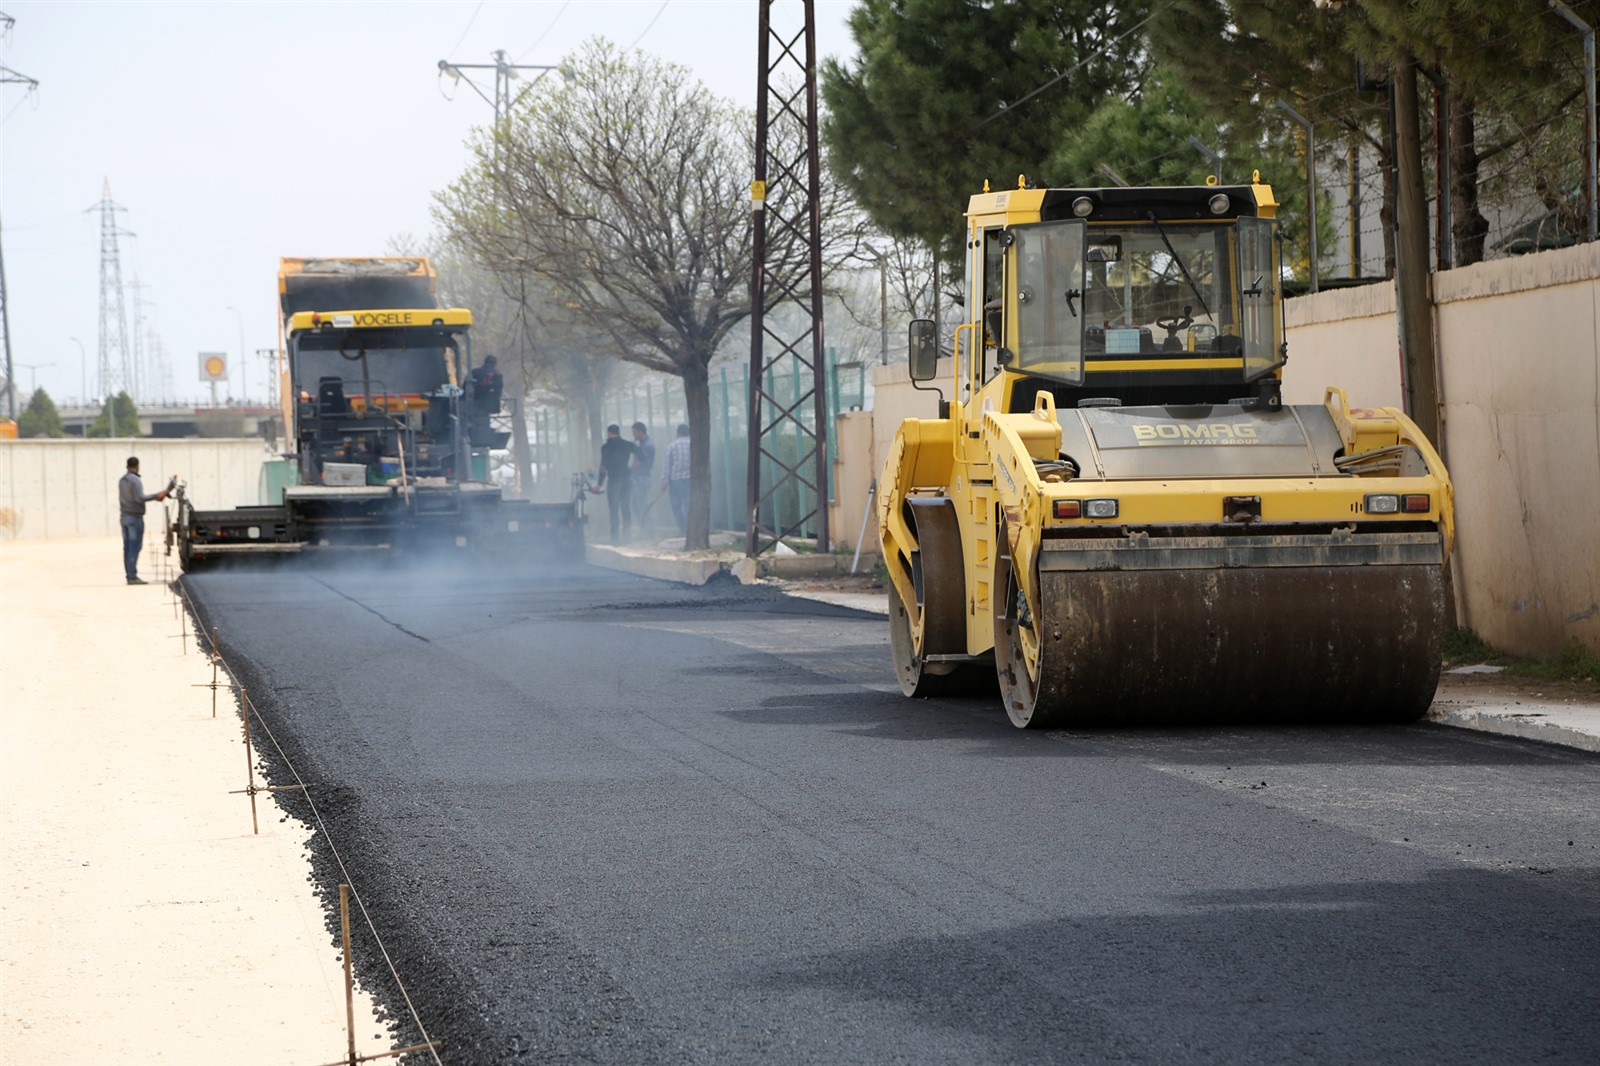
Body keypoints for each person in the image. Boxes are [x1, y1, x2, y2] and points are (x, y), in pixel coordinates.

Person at [118, 456, 173, 585]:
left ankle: (129, 575)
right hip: (134, 518)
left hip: (124, 517)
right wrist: (157, 495)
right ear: (137, 466)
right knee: (134, 547)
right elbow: (139, 498)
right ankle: (132, 576)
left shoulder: (122, 480)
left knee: (127, 548)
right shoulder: (135, 480)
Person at [593, 424, 638, 544]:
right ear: (618, 432)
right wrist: (633, 466)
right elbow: (642, 455)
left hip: (614, 480)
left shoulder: (606, 447)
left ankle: (615, 538)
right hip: (626, 479)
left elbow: (603, 466)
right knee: (625, 507)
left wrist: (599, 483)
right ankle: (627, 537)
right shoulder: (627, 444)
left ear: (609, 433)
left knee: (613, 509)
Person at [661, 423, 691, 537]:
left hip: (675, 481)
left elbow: (667, 465)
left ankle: (682, 529)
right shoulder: (693, 444)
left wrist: (664, 482)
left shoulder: (671, 446)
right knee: (688, 505)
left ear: (678, 433)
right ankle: (689, 529)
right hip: (689, 479)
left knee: (676, 505)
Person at [629, 421, 656, 539]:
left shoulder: (647, 445)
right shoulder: (641, 444)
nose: (633, 435)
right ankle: (644, 529)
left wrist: (627, 469)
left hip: (642, 478)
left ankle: (647, 531)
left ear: (640, 432)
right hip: (638, 478)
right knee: (636, 505)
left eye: (634, 433)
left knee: (642, 505)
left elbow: (638, 462)